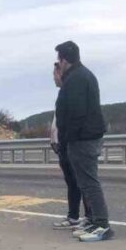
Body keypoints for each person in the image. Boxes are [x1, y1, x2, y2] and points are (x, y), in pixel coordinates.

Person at [55, 40, 112, 242]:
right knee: (84, 182)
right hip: (83, 137)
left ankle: (102, 225)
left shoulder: (77, 78)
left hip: (82, 139)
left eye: (58, 59)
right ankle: (93, 219)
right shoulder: (79, 75)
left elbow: (76, 113)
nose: (58, 63)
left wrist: (68, 139)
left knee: (89, 183)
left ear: (64, 60)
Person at [49, 61, 91, 230]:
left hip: (71, 144)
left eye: (54, 74)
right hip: (62, 146)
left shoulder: (71, 90)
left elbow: (71, 119)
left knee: (82, 181)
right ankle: (73, 216)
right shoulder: (63, 93)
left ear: (60, 73)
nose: (53, 79)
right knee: (72, 182)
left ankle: (90, 216)